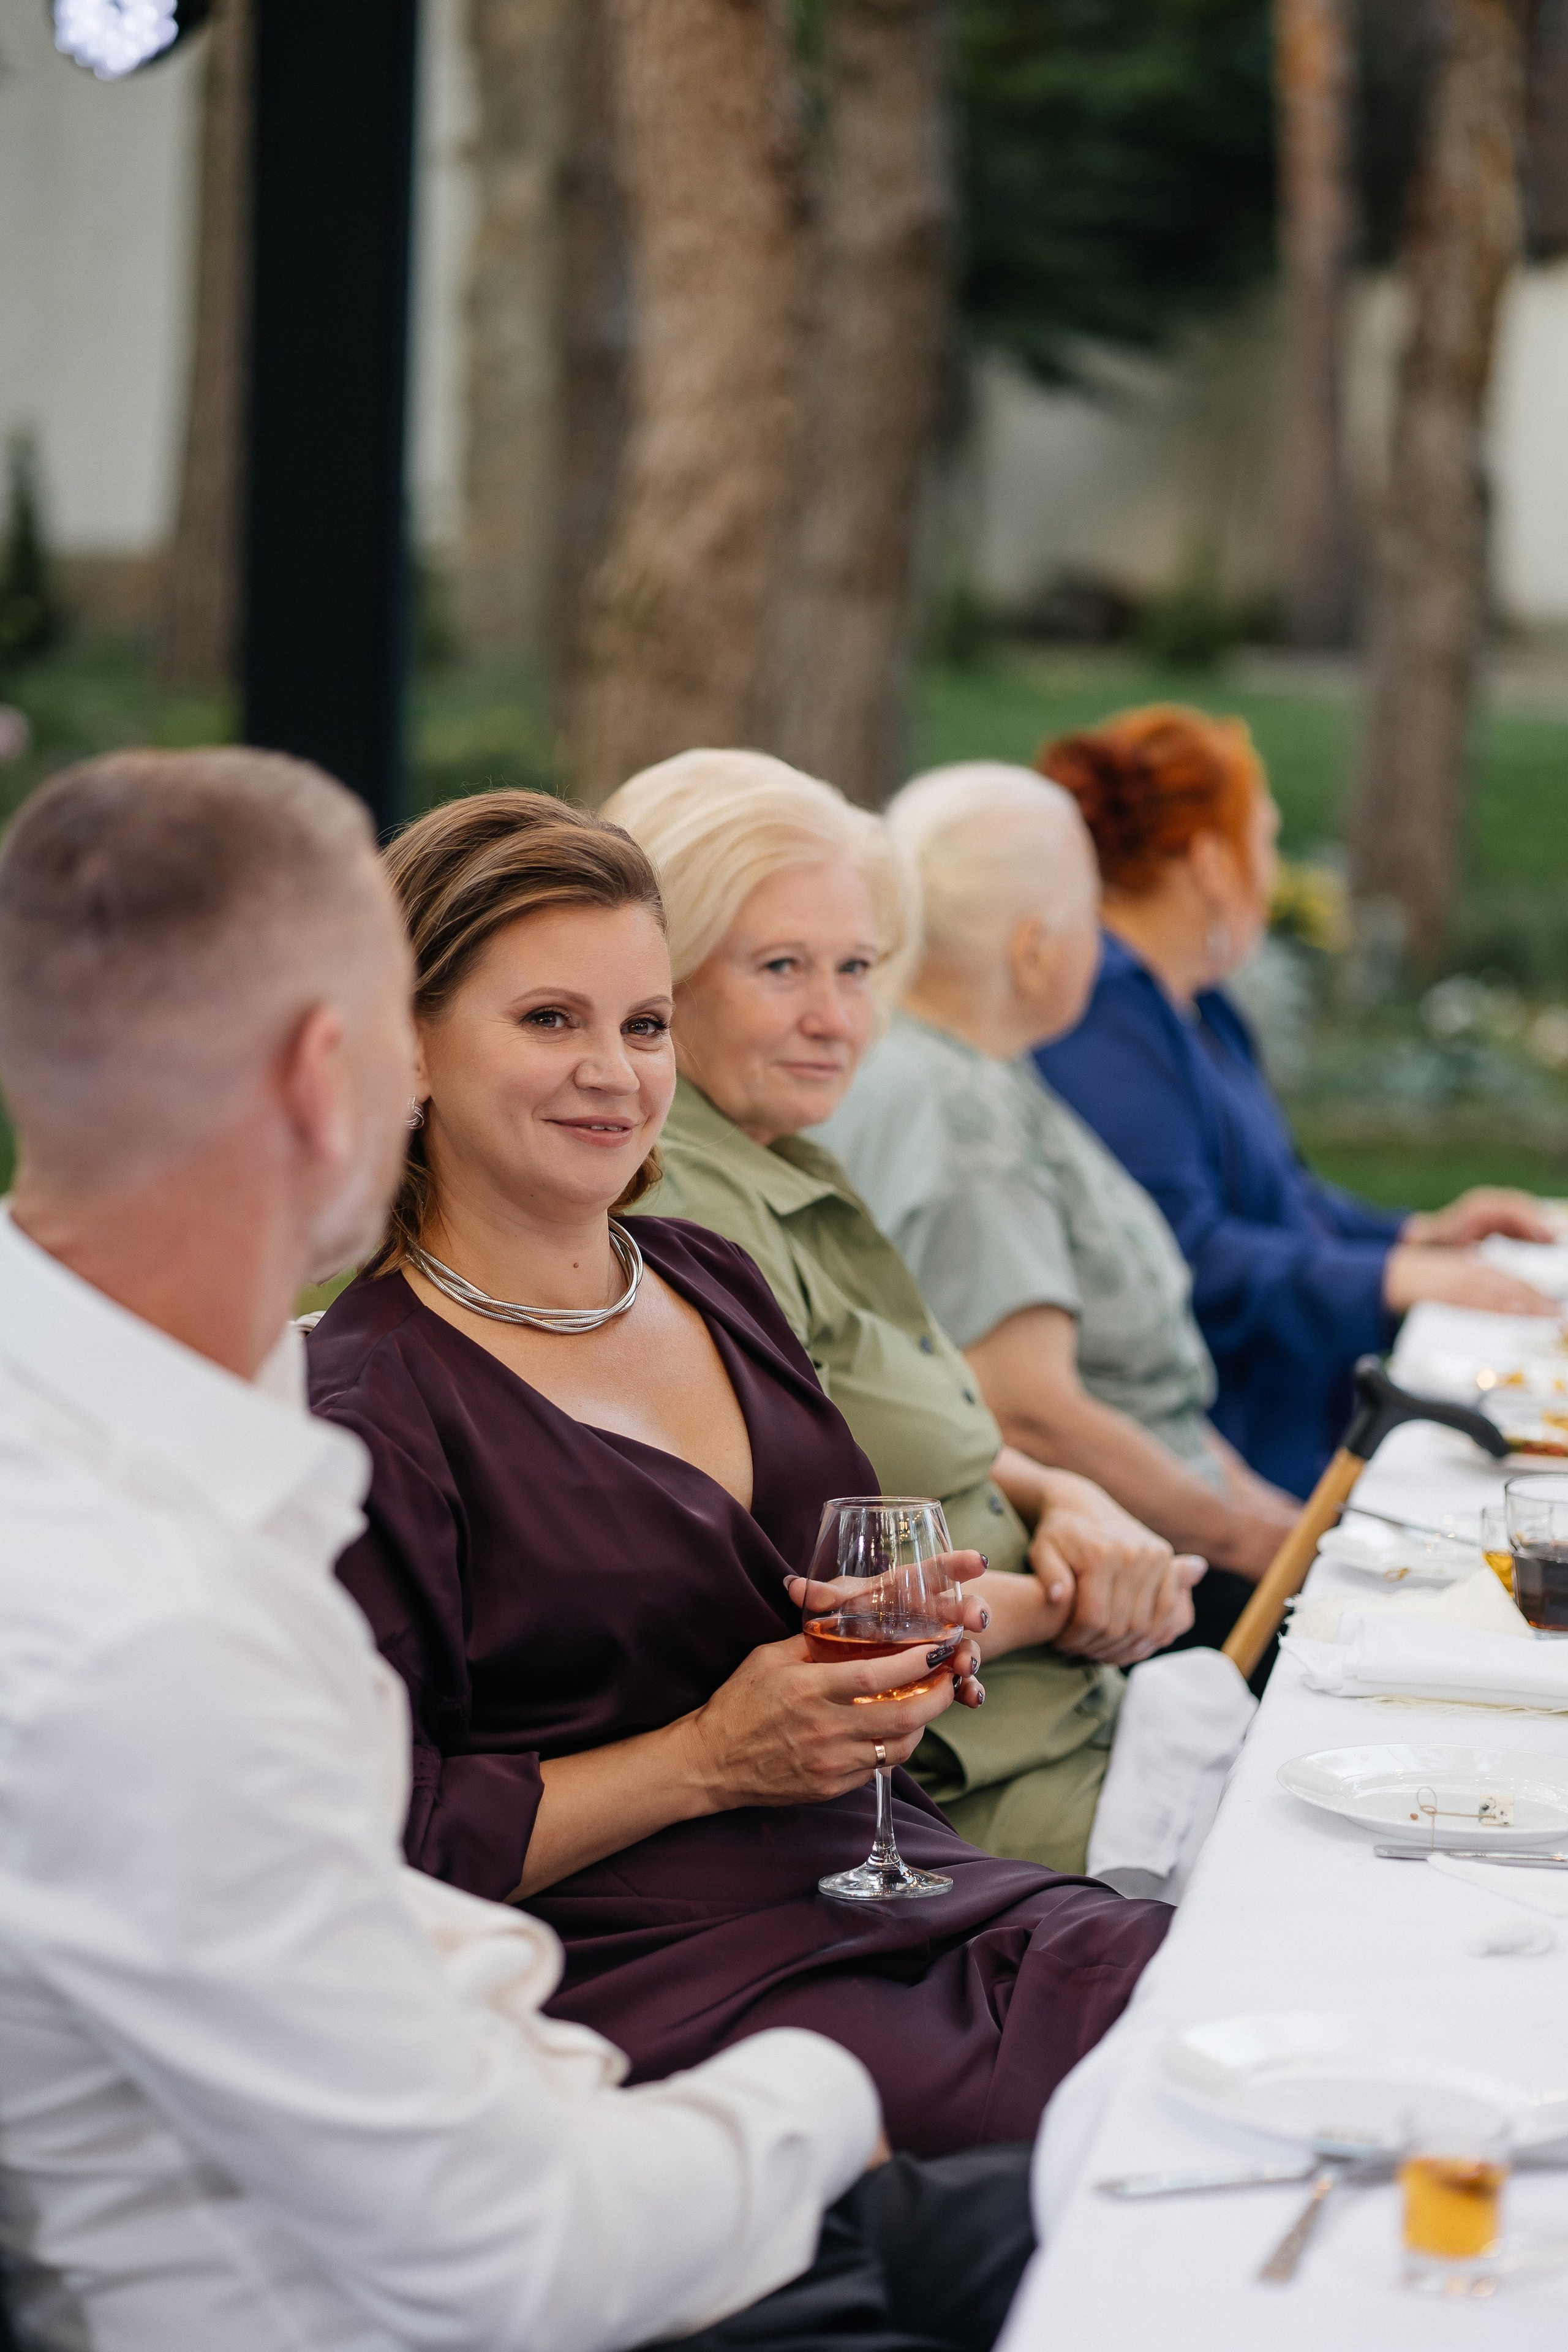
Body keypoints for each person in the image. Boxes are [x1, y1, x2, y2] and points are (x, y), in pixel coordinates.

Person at [0, 749, 1033, 2352]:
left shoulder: (130, 1444)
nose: (613, 1072)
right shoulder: (148, 1626)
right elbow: (514, 2258)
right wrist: (835, 2091)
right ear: (334, 1069)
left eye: (640, 1023)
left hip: (565, 2119)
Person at [307, 786, 1170, 2160]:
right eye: (550, 1020)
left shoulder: (710, 1278)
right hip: (647, 1962)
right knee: (1144, 2110)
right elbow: (381, 1837)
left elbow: (784, 1603)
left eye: (643, 1025)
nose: (616, 1071)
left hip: (898, 1878)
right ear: (408, 1047)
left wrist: (901, 1630)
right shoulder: (371, 1404)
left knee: (1217, 1989)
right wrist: (707, 1761)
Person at [601, 749, 1201, 1869]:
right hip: (948, 1798)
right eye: (782, 966)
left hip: (1070, 1725)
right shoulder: (682, 1203)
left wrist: (1065, 1495)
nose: (839, 1018)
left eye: (858, 967)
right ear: (660, 976)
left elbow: (916, 1430)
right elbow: (809, 1599)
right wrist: (1076, 1597)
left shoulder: (785, 1160)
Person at [818, 763, 1299, 1657]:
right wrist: (1267, 1548)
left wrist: (1286, 1519)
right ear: (1038, 949)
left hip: (1154, 1544)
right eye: (1093, 917)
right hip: (1128, 1590)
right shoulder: (964, 1116)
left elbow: (1150, 1388)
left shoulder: (962, 1067)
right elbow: (1030, 1408)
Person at [1032, 704, 1558, 1496]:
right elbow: (1183, 1250)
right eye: (1266, 841)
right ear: (1210, 861)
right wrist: (1390, 1278)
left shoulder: (1195, 1003)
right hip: (1220, 1452)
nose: (1271, 872)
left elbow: (1279, 1195)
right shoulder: (1107, 1014)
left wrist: (1417, 1236)